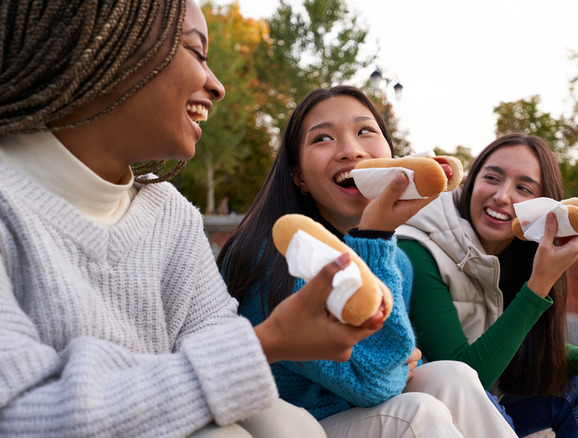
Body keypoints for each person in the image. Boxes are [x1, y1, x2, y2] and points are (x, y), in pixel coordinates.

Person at [0, 1, 386, 437]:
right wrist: (271, 341)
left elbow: (216, 344)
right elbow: (19, 419)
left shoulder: (168, 214)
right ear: (101, 42)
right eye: (196, 53)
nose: (217, 86)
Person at [217, 85, 518, 437]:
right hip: (290, 425)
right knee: (416, 412)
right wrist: (373, 236)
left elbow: (395, 359)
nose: (350, 150)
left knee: (454, 375)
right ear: (298, 175)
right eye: (322, 138)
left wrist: (377, 241)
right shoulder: (281, 255)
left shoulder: (396, 258)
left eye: (365, 131)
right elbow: (376, 382)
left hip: (357, 412)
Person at [397, 133, 578, 437]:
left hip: (479, 403)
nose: (502, 196)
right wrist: (539, 285)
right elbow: (464, 380)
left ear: (544, 205)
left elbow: (516, 343)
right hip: (425, 416)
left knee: (576, 389)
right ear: (470, 180)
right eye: (492, 177)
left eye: (523, 188)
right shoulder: (417, 247)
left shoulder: (517, 249)